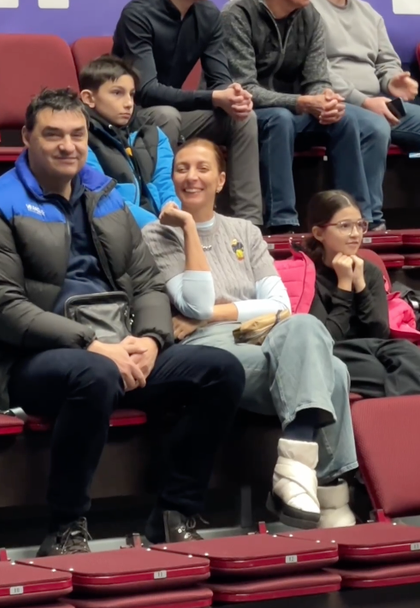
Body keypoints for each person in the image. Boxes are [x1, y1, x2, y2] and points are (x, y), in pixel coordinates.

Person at [0, 89, 246, 555]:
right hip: (35, 358)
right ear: (27, 137)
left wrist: (152, 340)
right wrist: (91, 344)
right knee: (94, 375)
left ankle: (175, 513)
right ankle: (66, 527)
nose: (68, 146)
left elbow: (147, 281)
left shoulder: (106, 194)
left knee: (220, 370)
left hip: (122, 345)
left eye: (77, 135)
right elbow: (2, 307)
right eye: (53, 135)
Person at [143, 138, 358, 530]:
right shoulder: (157, 234)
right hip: (208, 349)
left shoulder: (244, 230)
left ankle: (297, 476)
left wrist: (213, 314)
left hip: (262, 335)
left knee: (304, 325)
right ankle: (327, 494)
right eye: (182, 169)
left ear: (221, 180)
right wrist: (188, 228)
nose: (191, 177)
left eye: (202, 168)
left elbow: (279, 306)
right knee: (334, 372)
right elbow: (196, 303)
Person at [221, 0, 390, 233]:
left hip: (294, 110)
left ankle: (356, 219)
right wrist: (301, 102)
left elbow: (317, 80)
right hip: (243, 112)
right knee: (280, 119)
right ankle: (282, 223)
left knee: (343, 119)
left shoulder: (310, 15)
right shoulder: (238, 14)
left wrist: (325, 98)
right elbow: (245, 88)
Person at [112, 0, 264, 227]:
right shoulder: (138, 14)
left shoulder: (208, 14)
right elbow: (147, 90)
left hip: (176, 113)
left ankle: (248, 224)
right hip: (133, 116)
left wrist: (232, 95)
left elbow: (219, 80)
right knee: (167, 115)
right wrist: (214, 97)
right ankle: (170, 217)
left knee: (242, 119)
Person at [306, 190, 420, 398]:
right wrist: (344, 286)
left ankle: (399, 410)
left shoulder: (369, 271)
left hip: (374, 348)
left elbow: (379, 333)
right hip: (336, 351)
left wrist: (360, 285)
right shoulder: (308, 274)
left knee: (409, 353)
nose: (355, 234)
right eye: (345, 226)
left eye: (360, 225)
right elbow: (326, 339)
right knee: (383, 371)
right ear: (319, 233)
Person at [80, 56, 180, 229]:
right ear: (89, 98)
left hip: (159, 228)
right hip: (115, 230)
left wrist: (171, 207)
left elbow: (164, 183)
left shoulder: (153, 135)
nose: (128, 103)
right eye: (117, 93)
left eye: (132, 94)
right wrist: (156, 228)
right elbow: (104, 197)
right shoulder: (80, 139)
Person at [312, 0, 420, 150]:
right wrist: (362, 101)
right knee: (375, 127)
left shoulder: (369, 13)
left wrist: (391, 80)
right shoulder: (308, 9)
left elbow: (387, 61)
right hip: (334, 104)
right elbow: (315, 69)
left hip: (376, 103)